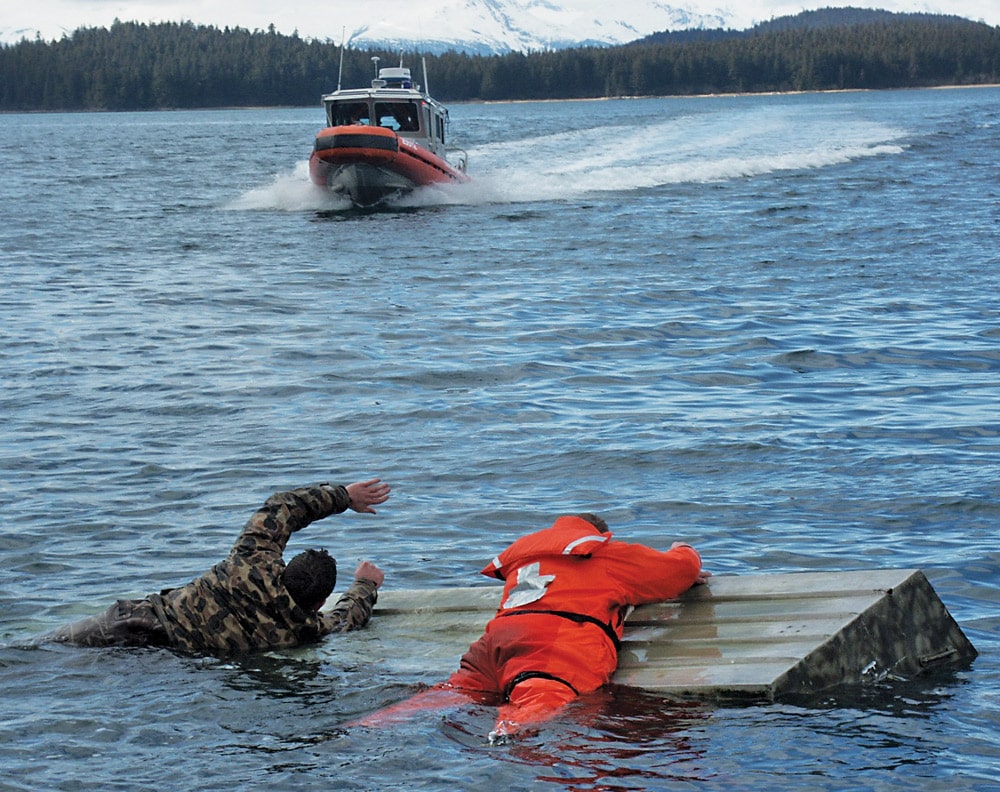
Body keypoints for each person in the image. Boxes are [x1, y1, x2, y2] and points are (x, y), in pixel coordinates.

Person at [358, 512, 708, 742]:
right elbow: (678, 571)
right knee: (537, 707)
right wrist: (684, 550)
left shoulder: (524, 559)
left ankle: (367, 727)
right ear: (598, 534)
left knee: (452, 693)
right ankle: (501, 739)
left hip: (496, 641)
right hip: (552, 645)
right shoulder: (603, 553)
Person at [49, 478, 390, 655]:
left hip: (130, 620)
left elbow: (284, 506)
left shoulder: (252, 560)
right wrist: (365, 584)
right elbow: (347, 619)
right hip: (162, 656)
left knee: (38, 652)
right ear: (318, 604)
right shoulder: (303, 630)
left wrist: (344, 497)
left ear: (284, 567)